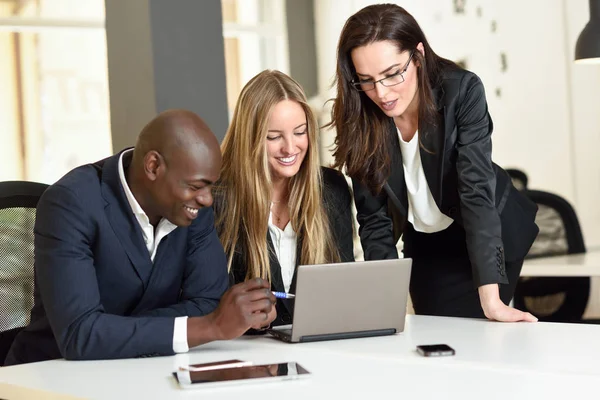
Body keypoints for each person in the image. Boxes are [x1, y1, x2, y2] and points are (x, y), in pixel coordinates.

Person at [5, 110, 276, 365]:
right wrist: (210, 326)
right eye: (195, 186)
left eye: (209, 186)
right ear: (153, 166)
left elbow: (208, 302)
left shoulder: (194, 207)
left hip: (148, 371)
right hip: (50, 376)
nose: (206, 199)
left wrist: (111, 330)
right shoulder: (71, 203)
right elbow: (81, 334)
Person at [328, 4, 539, 321]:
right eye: (366, 80)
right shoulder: (359, 116)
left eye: (392, 73)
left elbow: (476, 194)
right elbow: (375, 222)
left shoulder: (461, 91)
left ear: (418, 55)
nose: (382, 92)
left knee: (482, 336)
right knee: (435, 341)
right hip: (426, 243)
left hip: (482, 233)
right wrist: (385, 308)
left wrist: (492, 302)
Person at [213, 70, 354, 326]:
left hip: (319, 349)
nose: (290, 148)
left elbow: (344, 288)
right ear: (250, 139)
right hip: (244, 353)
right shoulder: (217, 200)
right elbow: (205, 303)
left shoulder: (331, 189)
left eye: (300, 132)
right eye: (274, 137)